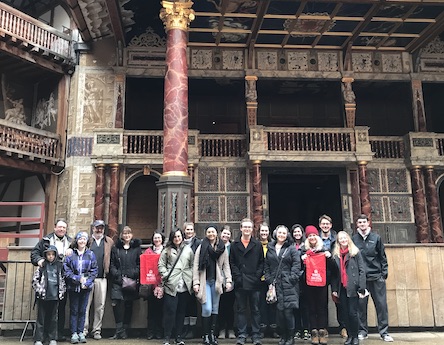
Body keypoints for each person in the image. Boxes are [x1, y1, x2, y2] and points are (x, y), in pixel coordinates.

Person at [352, 215, 394, 342]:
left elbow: (382, 257)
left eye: (364, 222)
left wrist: (383, 274)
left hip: (376, 277)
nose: (362, 224)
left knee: (381, 306)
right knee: (361, 306)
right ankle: (362, 331)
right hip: (361, 279)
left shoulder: (376, 238)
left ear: (368, 223)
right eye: (360, 222)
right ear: (357, 224)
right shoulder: (354, 239)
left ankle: (384, 332)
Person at [31, 220, 73, 341]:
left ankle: (56, 335)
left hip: (62, 279)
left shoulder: (71, 242)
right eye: (59, 227)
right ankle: (42, 336)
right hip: (46, 282)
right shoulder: (45, 240)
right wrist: (39, 260)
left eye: (64, 227)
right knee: (43, 313)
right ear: (55, 228)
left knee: (60, 309)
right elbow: (34, 253)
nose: (61, 229)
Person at [193, 225, 232, 345]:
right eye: (209, 232)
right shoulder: (201, 247)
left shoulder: (221, 247)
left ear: (217, 233)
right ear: (206, 233)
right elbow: (195, 265)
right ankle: (205, 335)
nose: (211, 234)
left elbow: (226, 265)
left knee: (215, 309)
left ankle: (212, 335)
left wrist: (228, 280)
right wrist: (196, 282)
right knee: (207, 308)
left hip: (217, 281)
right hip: (205, 282)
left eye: (213, 232)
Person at [230, 218, 264, 345]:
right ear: (241, 228)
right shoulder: (235, 245)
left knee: (255, 309)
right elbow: (232, 262)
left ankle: (256, 335)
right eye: (245, 227)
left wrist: (257, 277)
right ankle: (242, 335)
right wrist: (237, 277)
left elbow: (261, 263)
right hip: (241, 282)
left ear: (252, 229)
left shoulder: (257, 245)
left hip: (254, 282)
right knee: (241, 310)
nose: (247, 229)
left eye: (249, 227)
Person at [264, 225, 301, 345]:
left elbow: (296, 264)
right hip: (275, 285)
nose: (281, 235)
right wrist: (269, 280)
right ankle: (283, 336)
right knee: (279, 312)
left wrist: (292, 278)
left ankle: (290, 337)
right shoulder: (270, 248)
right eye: (279, 233)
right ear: (275, 234)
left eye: (284, 233)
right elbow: (267, 265)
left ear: (287, 235)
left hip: (288, 284)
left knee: (288, 312)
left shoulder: (291, 249)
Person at [158, 228, 194, 345]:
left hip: (184, 286)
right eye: (175, 237)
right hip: (171, 286)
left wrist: (190, 277)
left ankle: (179, 337)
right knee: (170, 312)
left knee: (181, 312)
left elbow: (192, 265)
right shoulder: (166, 251)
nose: (177, 239)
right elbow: (161, 265)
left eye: (179, 236)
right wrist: (166, 275)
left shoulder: (188, 250)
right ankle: (167, 337)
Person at [331, 231, 366, 345]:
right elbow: (334, 275)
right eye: (340, 238)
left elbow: (362, 270)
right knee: (345, 313)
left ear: (348, 239)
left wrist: (362, 286)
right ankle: (349, 336)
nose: (343, 240)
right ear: (338, 241)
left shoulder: (355, 252)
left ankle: (355, 336)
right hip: (341, 288)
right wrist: (334, 290)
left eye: (345, 238)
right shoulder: (335, 255)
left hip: (353, 287)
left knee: (353, 313)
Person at [64, 232, 98, 344]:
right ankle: (73, 333)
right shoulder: (70, 255)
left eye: (84, 239)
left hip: (86, 288)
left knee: (83, 311)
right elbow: (67, 271)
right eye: (80, 239)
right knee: (74, 310)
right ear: (77, 241)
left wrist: (87, 283)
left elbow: (94, 271)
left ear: (87, 241)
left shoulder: (91, 254)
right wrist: (77, 279)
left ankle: (80, 332)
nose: (82, 241)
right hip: (73, 287)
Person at [109, 226, 142, 339]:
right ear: (121, 235)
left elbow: (139, 264)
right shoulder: (115, 248)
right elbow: (112, 264)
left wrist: (133, 273)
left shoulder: (136, 249)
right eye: (125, 233)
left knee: (129, 305)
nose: (127, 236)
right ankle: (119, 330)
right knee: (116, 304)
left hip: (131, 281)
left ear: (132, 235)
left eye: (129, 233)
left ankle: (125, 330)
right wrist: (117, 274)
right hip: (118, 281)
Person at [301, 225, 332, 345]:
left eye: (314, 235)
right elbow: (298, 268)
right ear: (307, 238)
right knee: (311, 307)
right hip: (308, 284)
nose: (312, 237)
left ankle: (322, 331)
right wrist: (302, 260)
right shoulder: (304, 251)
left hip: (322, 283)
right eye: (310, 236)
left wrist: (329, 258)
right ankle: (313, 332)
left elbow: (332, 269)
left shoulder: (323, 250)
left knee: (322, 307)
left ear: (317, 237)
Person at [84, 220, 114, 340]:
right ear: (93, 228)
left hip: (102, 278)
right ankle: (84, 329)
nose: (99, 230)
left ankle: (96, 330)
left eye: (101, 228)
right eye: (97, 228)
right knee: (85, 306)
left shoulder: (109, 241)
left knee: (100, 306)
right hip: (87, 278)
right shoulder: (86, 240)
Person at [318, 215, 346, 339]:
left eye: (327, 224)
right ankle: (324, 328)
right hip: (321, 273)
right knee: (322, 302)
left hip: (335, 272)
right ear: (320, 225)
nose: (325, 226)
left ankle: (343, 327)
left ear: (331, 225)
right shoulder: (315, 238)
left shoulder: (336, 238)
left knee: (338, 300)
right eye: (323, 224)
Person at [32, 245, 66, 345]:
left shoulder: (60, 266)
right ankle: (39, 339)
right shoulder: (42, 266)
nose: (50, 256)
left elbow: (63, 280)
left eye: (52, 254)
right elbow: (35, 280)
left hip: (55, 296)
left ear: (55, 255)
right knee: (41, 318)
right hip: (43, 296)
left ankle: (52, 338)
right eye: (48, 254)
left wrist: (61, 292)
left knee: (54, 319)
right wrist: (39, 291)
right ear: (45, 255)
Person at [257, 222, 278, 338]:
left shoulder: (273, 245)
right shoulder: (255, 245)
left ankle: (274, 328)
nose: (264, 233)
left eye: (266, 231)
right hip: (259, 279)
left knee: (273, 304)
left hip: (272, 279)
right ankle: (262, 328)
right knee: (261, 305)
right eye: (262, 231)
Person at [291, 224, 309, 341]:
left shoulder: (307, 245)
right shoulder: (290, 246)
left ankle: (306, 329)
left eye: (299, 232)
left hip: (305, 279)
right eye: (295, 232)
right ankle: (297, 329)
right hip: (293, 279)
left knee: (305, 305)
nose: (297, 234)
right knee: (295, 306)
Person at [217, 225, 236, 339]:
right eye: (224, 233)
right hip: (218, 279)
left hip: (230, 280)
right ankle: (221, 329)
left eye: (228, 234)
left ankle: (230, 328)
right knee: (220, 305)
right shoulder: (216, 246)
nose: (226, 235)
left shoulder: (232, 247)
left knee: (230, 306)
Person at [183, 222, 201, 339]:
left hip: (193, 276)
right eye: (187, 229)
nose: (189, 231)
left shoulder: (198, 243)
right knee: (183, 304)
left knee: (192, 303)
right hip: (182, 277)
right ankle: (184, 327)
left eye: (191, 229)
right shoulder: (180, 242)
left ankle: (192, 329)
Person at [146, 231, 165, 340]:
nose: (157, 240)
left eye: (159, 238)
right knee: (151, 310)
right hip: (150, 285)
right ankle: (150, 331)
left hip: (163, 284)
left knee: (161, 310)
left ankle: (159, 331)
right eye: (155, 238)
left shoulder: (166, 251)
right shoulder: (148, 251)